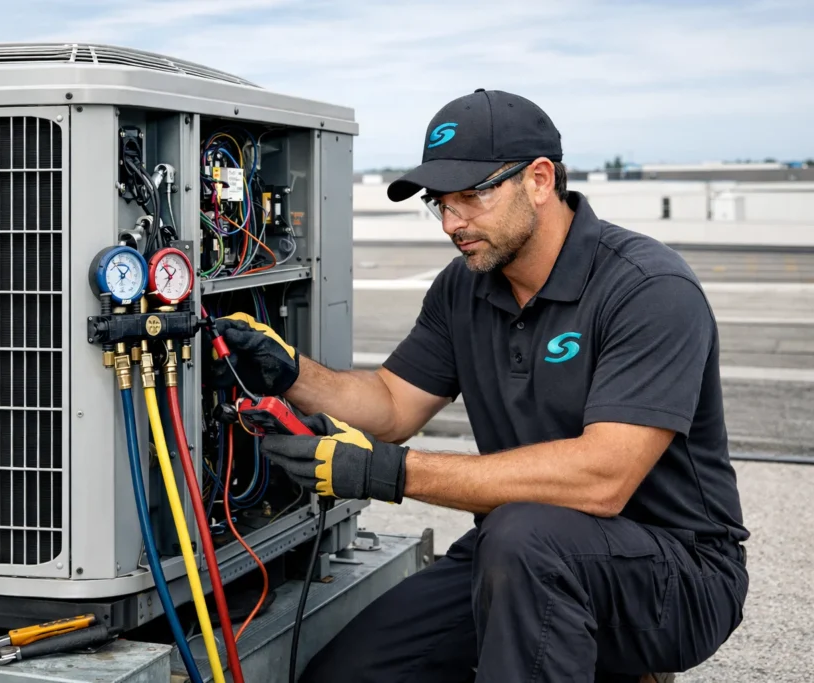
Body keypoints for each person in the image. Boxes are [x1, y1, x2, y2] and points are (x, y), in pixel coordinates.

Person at [212, 89, 749, 683]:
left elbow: (604, 478)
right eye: (440, 203)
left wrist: (387, 471)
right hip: (515, 558)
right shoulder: (465, 285)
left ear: (540, 180)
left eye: (473, 195)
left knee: (525, 538)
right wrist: (291, 373)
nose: (451, 222)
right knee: (350, 674)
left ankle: (620, 663)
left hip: (674, 576)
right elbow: (392, 405)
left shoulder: (648, 288)